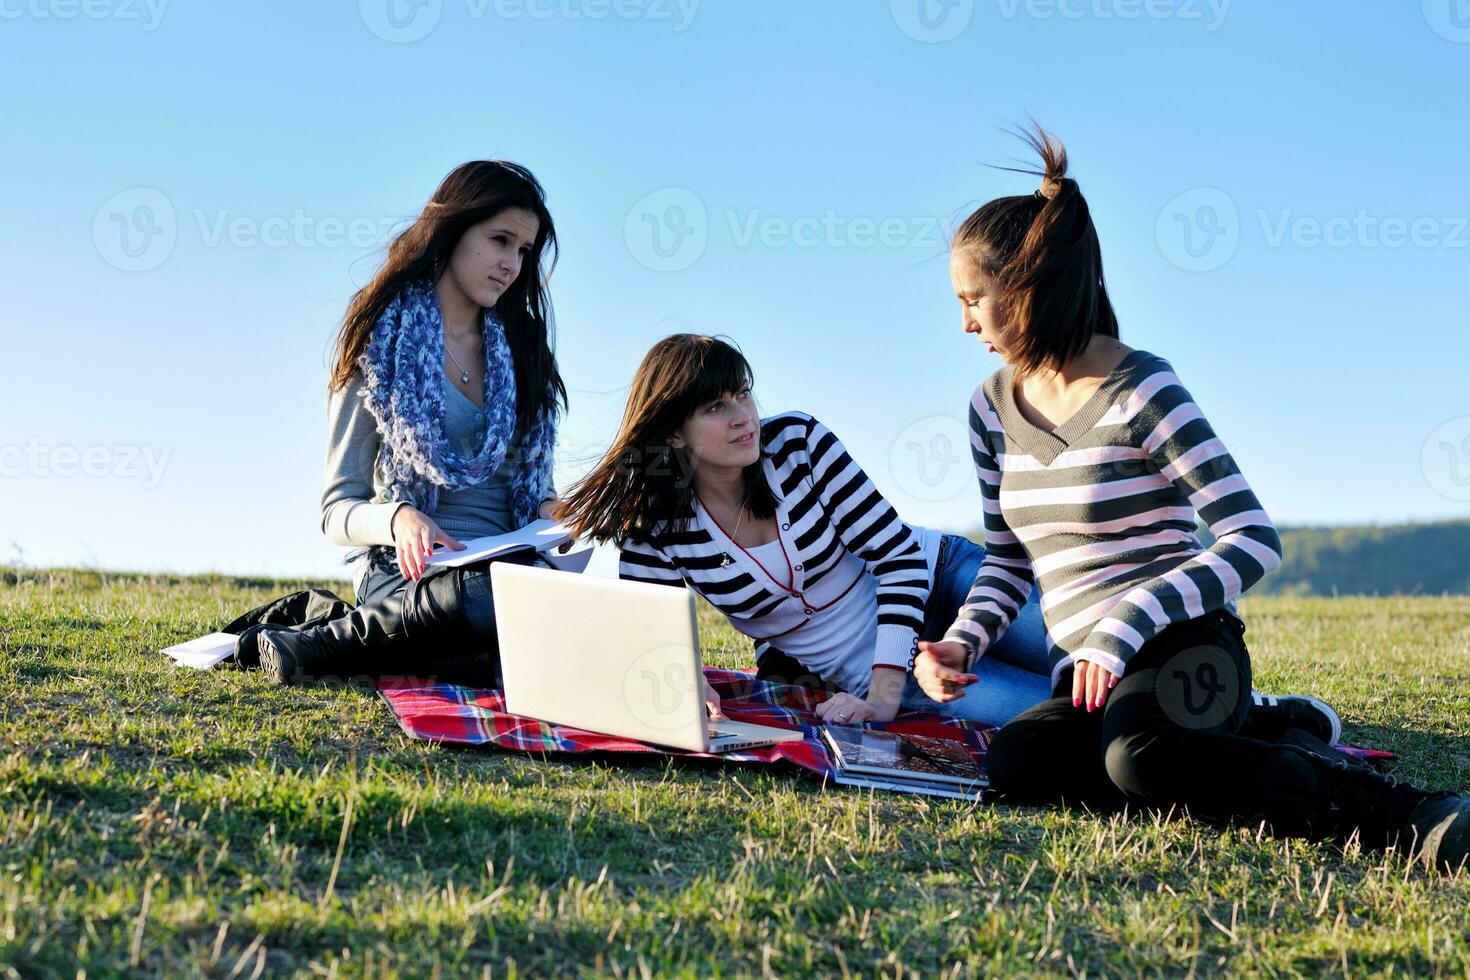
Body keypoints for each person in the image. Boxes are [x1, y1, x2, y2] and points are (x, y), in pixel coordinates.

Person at [912, 126, 1468, 873]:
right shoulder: (987, 410)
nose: (965, 322)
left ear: (1030, 286)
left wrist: (1123, 626)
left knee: (1139, 762)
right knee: (1020, 765)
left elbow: (1251, 538)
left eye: (975, 300)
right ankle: (1269, 730)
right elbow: (1009, 558)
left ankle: (1409, 817)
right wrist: (964, 640)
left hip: (1183, 641)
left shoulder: (1142, 387)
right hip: (1090, 671)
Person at [558, 334, 1056, 726]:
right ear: (671, 432)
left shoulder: (796, 444)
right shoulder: (657, 532)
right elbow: (659, 642)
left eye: (743, 395)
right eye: (715, 407)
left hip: (942, 582)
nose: (743, 418)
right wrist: (694, 695)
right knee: (1065, 712)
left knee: (1082, 649)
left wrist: (881, 699)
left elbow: (899, 559)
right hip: (888, 673)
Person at [248, 160, 567, 686]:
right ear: (452, 229)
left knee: (539, 604)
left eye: (523, 251)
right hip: (408, 577)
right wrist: (398, 520)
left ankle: (340, 644)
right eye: (499, 240)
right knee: (484, 601)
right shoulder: (380, 343)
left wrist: (557, 515)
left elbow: (535, 491)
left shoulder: (524, 348)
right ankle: (355, 644)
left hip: (513, 571)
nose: (511, 263)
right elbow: (337, 511)